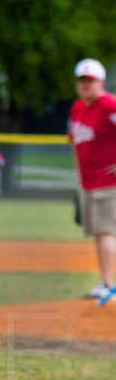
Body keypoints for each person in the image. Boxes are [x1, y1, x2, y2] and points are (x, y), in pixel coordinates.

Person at [69, 58, 116, 299]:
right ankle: (105, 282)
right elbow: (75, 143)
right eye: (82, 80)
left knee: (105, 232)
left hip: (109, 184)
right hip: (87, 183)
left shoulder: (109, 105)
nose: (85, 85)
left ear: (101, 82)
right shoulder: (77, 108)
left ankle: (108, 286)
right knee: (99, 233)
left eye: (90, 80)